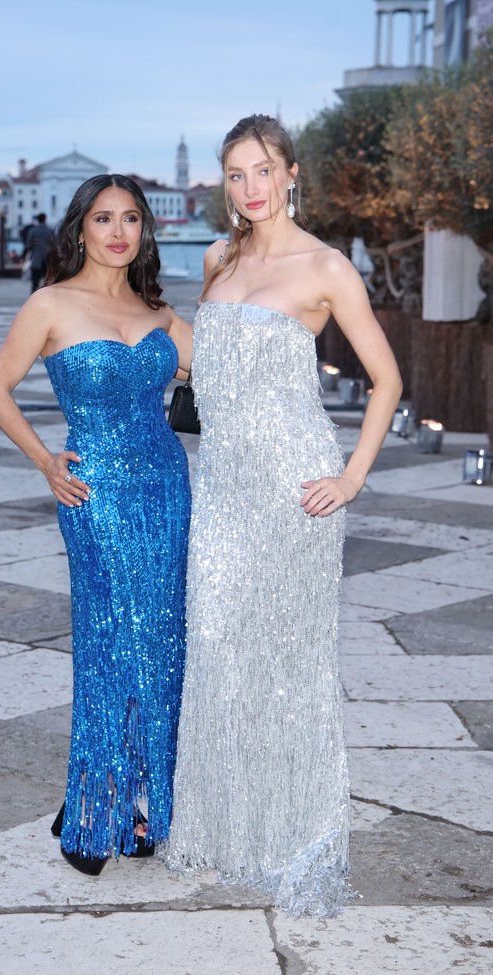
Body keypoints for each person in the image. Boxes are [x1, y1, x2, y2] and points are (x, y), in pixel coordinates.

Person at [165, 114, 402, 916]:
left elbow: (387, 381)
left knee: (290, 665)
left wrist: (353, 475)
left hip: (296, 486)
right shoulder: (217, 257)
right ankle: (230, 824)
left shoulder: (327, 267)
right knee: (217, 641)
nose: (250, 188)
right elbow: (213, 364)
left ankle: (290, 830)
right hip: (224, 487)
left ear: (292, 172)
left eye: (262, 170)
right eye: (235, 174)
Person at [0, 174, 192, 875]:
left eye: (131, 218)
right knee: (110, 639)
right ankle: (92, 809)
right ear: (80, 229)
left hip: (166, 488)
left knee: (159, 640)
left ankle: (140, 801)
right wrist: (44, 459)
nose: (119, 231)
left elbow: (232, 365)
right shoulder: (51, 303)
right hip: (92, 492)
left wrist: (232, 270)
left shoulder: (159, 310)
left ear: (144, 231)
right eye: (104, 218)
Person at [24, 212, 54, 292]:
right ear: (45, 219)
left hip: (36, 259)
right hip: (47, 259)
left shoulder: (33, 231)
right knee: (48, 282)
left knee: (35, 282)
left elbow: (28, 245)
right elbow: (55, 244)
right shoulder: (50, 231)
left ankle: (34, 298)